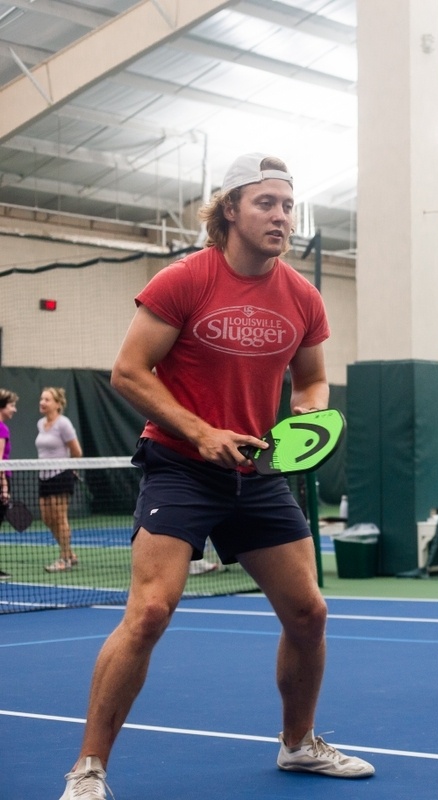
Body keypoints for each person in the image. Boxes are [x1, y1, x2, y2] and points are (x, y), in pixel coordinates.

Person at [57, 154, 373, 800]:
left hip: (257, 475)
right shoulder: (185, 280)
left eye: (288, 205)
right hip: (180, 467)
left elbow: (311, 379)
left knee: (309, 613)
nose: (281, 216)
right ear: (229, 209)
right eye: (266, 203)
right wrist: (202, 432)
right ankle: (88, 768)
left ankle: (298, 745)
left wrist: (307, 417)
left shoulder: (302, 296)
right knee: (148, 612)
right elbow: (128, 372)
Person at [37, 387, 83, 573]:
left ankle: (64, 558)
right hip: (43, 476)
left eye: (47, 399)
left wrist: (70, 469)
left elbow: (76, 451)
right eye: (41, 399)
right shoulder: (40, 424)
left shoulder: (63, 424)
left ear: (57, 404)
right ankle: (70, 554)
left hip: (60, 475)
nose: (42, 402)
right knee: (47, 519)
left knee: (60, 517)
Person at [0, 388, 16, 580]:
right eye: (11, 405)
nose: (14, 409)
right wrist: (3, 487)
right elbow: (0, 462)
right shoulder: (2, 428)